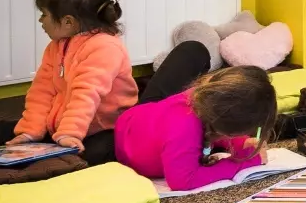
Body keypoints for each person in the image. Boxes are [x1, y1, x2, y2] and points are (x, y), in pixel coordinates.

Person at [0, 0, 137, 164]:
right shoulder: (56, 47)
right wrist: (30, 131)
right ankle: (55, 147)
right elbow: (42, 91)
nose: (41, 21)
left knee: (96, 153)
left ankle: (61, 147)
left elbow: (86, 95)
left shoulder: (105, 47)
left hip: (103, 128)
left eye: (44, 15)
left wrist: (69, 134)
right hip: (62, 126)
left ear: (68, 22)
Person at [112, 43, 279, 191]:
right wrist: (245, 162)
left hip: (142, 118)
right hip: (125, 141)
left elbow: (216, 123)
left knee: (193, 50)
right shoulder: (184, 129)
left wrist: (240, 142)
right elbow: (183, 180)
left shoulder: (203, 96)